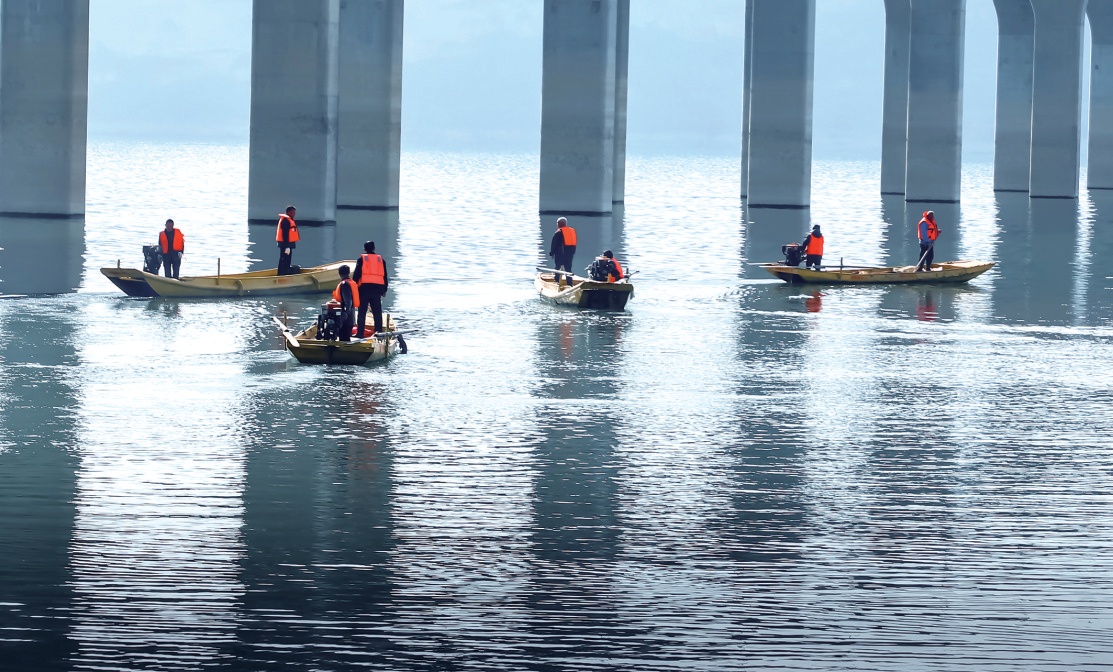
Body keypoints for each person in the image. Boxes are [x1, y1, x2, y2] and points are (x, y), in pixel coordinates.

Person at [353, 241, 389, 337]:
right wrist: (384, 289)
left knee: (362, 313)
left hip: (363, 289)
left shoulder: (361, 259)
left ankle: (360, 333)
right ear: (374, 248)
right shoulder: (381, 260)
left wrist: (354, 288)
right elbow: (385, 276)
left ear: (364, 249)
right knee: (377, 313)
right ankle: (378, 333)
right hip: (377, 290)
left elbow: (356, 275)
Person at [332, 265, 359, 342]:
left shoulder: (344, 284)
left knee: (344, 339)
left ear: (339, 273)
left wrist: (345, 315)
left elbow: (348, 301)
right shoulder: (351, 282)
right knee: (346, 339)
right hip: (351, 315)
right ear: (348, 273)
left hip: (346, 317)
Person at [548, 216, 577, 287]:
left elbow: (554, 244)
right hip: (570, 254)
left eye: (557, 223)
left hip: (560, 253)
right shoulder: (572, 231)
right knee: (568, 269)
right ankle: (569, 284)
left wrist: (552, 253)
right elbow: (574, 243)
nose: (557, 224)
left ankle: (556, 282)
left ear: (560, 223)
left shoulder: (559, 232)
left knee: (557, 268)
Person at [276, 205, 300, 275]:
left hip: (288, 244)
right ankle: (282, 274)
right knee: (284, 260)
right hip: (285, 244)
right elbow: (285, 234)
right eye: (293, 212)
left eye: (294, 212)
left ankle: (285, 272)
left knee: (287, 260)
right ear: (288, 212)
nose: (294, 214)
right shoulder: (285, 221)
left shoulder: (289, 220)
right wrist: (287, 246)